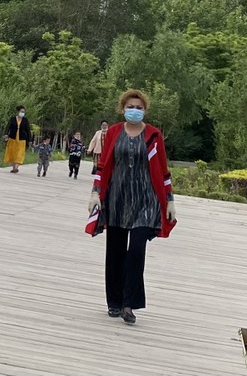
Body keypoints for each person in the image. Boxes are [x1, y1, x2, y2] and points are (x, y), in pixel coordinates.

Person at [87, 90, 175, 325]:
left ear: (144, 110)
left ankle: (129, 303)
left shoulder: (154, 135)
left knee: (137, 249)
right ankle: (114, 302)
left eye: (139, 106)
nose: (134, 110)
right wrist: (96, 193)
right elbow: (103, 165)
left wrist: (170, 200)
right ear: (122, 108)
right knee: (115, 251)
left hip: (146, 199)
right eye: (130, 106)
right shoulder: (114, 132)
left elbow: (164, 170)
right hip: (117, 197)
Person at [4, 105, 31, 174]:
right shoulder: (12, 119)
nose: (23, 113)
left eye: (24, 112)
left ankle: (16, 167)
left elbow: (28, 130)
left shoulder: (25, 120)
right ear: (18, 111)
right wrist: (6, 134)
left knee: (20, 153)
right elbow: (8, 127)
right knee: (12, 153)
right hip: (12, 138)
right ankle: (14, 168)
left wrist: (30, 140)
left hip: (22, 139)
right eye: (21, 111)